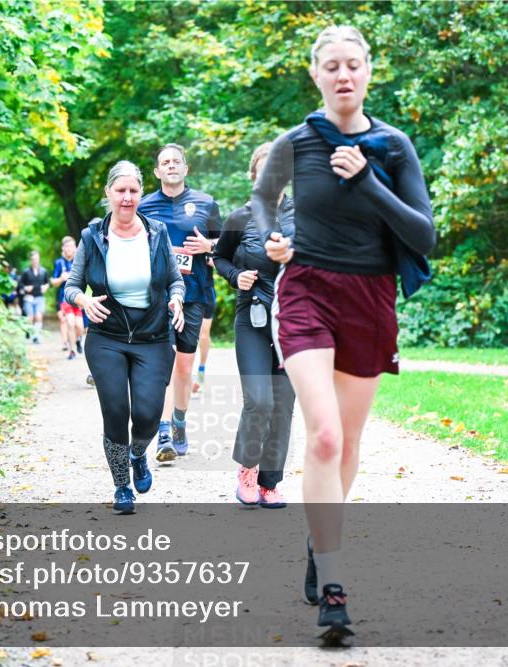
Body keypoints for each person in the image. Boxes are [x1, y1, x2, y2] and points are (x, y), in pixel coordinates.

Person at [251, 25, 436, 641]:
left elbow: (424, 235)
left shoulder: (391, 146)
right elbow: (260, 197)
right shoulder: (296, 143)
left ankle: (317, 538)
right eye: (331, 66)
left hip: (371, 297)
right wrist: (273, 237)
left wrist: (366, 181)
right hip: (306, 289)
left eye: (353, 65)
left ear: (369, 71)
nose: (343, 76)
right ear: (316, 75)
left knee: (348, 442)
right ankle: (334, 587)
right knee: (324, 435)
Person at [65, 160, 185, 515]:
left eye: (134, 191)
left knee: (147, 416)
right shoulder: (92, 237)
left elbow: (175, 280)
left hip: (153, 336)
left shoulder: (158, 233)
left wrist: (176, 298)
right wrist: (84, 300)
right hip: (107, 336)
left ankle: (137, 454)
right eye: (121, 191)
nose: (128, 198)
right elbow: (72, 286)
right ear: (109, 194)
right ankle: (122, 486)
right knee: (116, 410)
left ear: (141, 193)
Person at [214, 142, 296, 509]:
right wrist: (236, 276)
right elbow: (219, 258)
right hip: (252, 315)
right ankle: (248, 469)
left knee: (284, 403)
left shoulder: (303, 216)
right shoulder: (239, 218)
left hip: (293, 321)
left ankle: (270, 483)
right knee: (259, 400)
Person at [138, 143, 222, 461]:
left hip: (194, 294)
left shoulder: (205, 203)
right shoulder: (144, 207)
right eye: (165, 162)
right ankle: (162, 434)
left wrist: (209, 245)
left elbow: (226, 245)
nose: (171, 166)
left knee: (184, 368)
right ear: (158, 172)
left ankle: (179, 422)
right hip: (155, 297)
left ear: (186, 168)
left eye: (176, 161)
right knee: (163, 362)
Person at [52, 236, 85, 360]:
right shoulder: (59, 263)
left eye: (72, 246)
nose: (70, 248)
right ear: (63, 248)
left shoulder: (80, 260)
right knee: (70, 323)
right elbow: (53, 282)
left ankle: (77, 340)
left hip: (78, 297)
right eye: (67, 246)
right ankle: (72, 351)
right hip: (65, 297)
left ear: (76, 248)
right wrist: (61, 278)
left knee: (80, 327)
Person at [17, 250, 51, 344]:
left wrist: (46, 287)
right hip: (28, 298)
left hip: (39, 297)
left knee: (38, 316)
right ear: (30, 260)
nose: (35, 261)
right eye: (33, 259)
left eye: (36, 259)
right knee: (30, 318)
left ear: (39, 259)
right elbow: (19, 285)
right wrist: (25, 288)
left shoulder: (43, 271)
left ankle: (36, 337)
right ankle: (29, 333)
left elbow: (48, 282)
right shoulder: (26, 272)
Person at [192, 280, 216, 395]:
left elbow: (217, 263)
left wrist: (206, 260)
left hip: (205, 289)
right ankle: (184, 377)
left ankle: (200, 374)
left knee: (203, 336)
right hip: (184, 287)